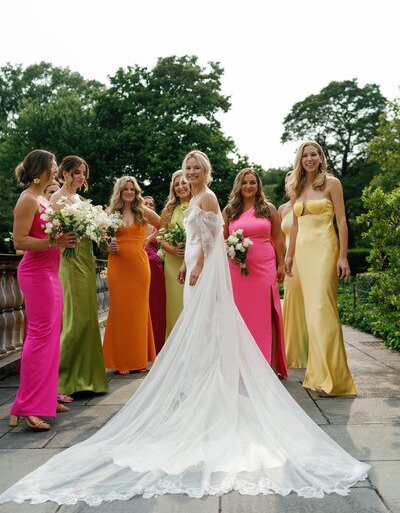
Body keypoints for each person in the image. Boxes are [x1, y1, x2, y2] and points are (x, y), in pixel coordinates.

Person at [0, 150, 369, 506]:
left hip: (202, 272)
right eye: (187, 167)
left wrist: (199, 265)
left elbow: (214, 239)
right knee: (198, 332)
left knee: (205, 331)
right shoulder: (193, 199)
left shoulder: (206, 197)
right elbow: (194, 238)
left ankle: (210, 398)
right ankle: (200, 393)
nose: (191, 172)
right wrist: (189, 263)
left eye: (196, 168)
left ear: (205, 172)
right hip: (191, 269)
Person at [9, 150, 76, 431]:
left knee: (50, 338)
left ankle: (45, 397)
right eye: (53, 165)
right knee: (39, 338)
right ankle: (28, 407)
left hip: (50, 272)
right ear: (41, 169)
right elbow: (19, 241)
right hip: (36, 274)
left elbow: (47, 233)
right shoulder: (27, 199)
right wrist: (55, 243)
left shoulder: (43, 199)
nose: (56, 168)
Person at [285, 140, 356, 396]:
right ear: (300, 159)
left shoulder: (332, 183)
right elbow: (295, 225)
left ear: (321, 157)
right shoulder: (296, 186)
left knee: (321, 309)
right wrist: (289, 256)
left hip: (325, 248)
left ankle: (335, 380)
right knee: (311, 314)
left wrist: (343, 256)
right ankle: (318, 375)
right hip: (302, 253)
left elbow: (342, 220)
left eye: (314, 154)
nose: (310, 159)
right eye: (305, 155)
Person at [50, 156, 108, 402]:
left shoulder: (82, 201)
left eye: (83, 172)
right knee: (74, 320)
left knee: (88, 318)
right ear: (64, 173)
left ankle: (87, 379)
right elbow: (52, 232)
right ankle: (61, 382)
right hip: (70, 260)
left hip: (86, 259)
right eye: (76, 172)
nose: (81, 176)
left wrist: (101, 232)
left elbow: (91, 232)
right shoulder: (56, 198)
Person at [223, 168, 287, 377]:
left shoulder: (268, 209)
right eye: (244, 182)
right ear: (238, 186)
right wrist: (230, 253)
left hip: (264, 266)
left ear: (258, 185)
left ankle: (270, 364)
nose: (248, 186)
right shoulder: (229, 211)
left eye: (252, 182)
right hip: (237, 269)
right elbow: (222, 240)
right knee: (241, 316)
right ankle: (242, 365)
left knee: (266, 314)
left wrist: (280, 264)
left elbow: (278, 238)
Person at [102, 178, 160, 374]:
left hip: (139, 266)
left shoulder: (143, 211)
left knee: (139, 311)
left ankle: (139, 360)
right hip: (117, 265)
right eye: (125, 189)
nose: (129, 192)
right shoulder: (111, 214)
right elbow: (101, 240)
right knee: (120, 310)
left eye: (132, 189)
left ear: (136, 192)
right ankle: (122, 361)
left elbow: (164, 225)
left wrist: (148, 239)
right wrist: (108, 245)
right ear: (119, 192)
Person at [278, 177, 308, 369]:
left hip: (305, 255)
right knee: (292, 301)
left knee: (307, 301)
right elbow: (280, 240)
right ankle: (293, 351)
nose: (291, 186)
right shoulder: (282, 209)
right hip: (288, 261)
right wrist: (280, 263)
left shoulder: (306, 204)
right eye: (288, 183)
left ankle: (310, 351)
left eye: (294, 182)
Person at [159, 170, 191, 337]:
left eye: (184, 183)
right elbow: (161, 237)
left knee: (192, 304)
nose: (180, 187)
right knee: (175, 304)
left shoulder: (199, 205)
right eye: (176, 184)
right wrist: (172, 249)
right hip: (173, 264)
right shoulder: (168, 210)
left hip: (194, 262)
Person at [143, 195, 166, 354]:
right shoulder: (135, 222)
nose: (149, 206)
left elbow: (165, 235)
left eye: (151, 204)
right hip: (138, 265)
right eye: (146, 203)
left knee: (156, 303)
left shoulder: (158, 225)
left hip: (155, 264)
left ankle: (158, 343)